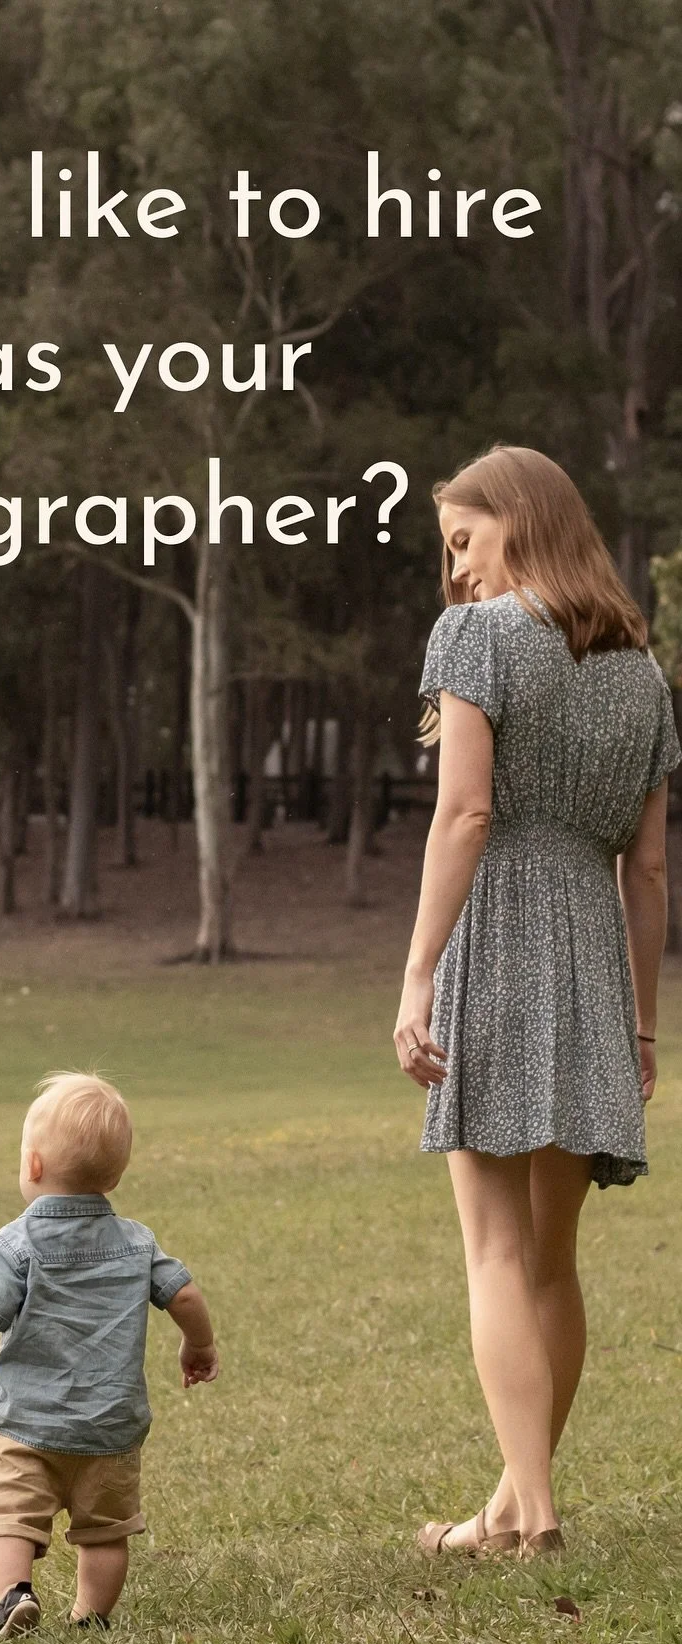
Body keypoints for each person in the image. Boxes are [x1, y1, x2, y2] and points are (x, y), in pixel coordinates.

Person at [394, 445, 680, 1563]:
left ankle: (539, 1511)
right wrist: (644, 1023)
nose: (456, 572)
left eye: (464, 540)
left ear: (518, 521)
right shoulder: (642, 674)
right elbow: (649, 875)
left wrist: (418, 971)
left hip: (500, 931)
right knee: (554, 1261)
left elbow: (464, 816)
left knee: (496, 1256)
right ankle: (509, 1512)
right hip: (594, 964)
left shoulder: (478, 640)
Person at [0, 1071, 219, 1636]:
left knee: (9, 1516)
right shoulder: (137, 1241)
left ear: (33, 1166)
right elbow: (183, 1294)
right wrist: (198, 1343)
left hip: (25, 1421)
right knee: (105, 1530)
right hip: (110, 1425)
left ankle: (14, 1594)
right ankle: (92, 1617)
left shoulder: (18, 1243)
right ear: (115, 1172)